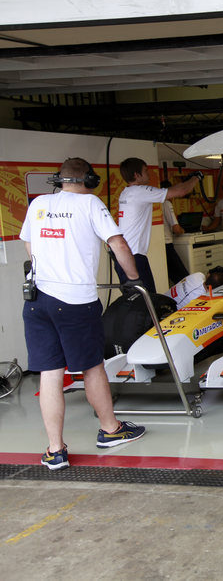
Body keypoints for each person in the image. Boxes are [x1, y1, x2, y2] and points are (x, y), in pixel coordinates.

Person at [21, 157, 148, 470]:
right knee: (91, 367)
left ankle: (55, 450)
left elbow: (29, 243)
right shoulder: (90, 203)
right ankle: (110, 430)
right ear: (88, 180)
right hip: (75, 301)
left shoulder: (38, 204)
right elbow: (118, 243)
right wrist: (132, 279)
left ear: (58, 180)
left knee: (50, 372)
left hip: (37, 299)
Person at [116, 158, 200, 293]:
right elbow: (181, 191)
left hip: (123, 256)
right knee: (148, 301)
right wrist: (197, 177)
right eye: (145, 171)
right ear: (137, 175)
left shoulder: (127, 192)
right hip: (134, 257)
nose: (149, 174)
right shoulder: (139, 191)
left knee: (136, 301)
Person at [160, 180, 190, 285]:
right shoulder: (166, 203)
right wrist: (183, 230)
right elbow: (176, 229)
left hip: (159, 245)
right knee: (183, 278)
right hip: (167, 245)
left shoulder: (155, 203)